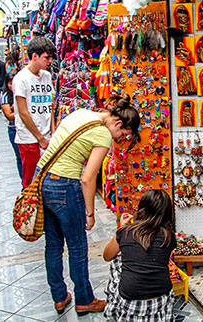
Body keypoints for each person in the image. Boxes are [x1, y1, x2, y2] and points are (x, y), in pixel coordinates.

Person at [38, 95, 141, 316]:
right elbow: (88, 177)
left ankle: (59, 297)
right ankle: (84, 300)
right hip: (65, 184)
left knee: (53, 246)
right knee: (77, 247)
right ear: (118, 123)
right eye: (122, 134)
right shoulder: (103, 134)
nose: (120, 138)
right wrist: (90, 212)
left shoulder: (81, 113)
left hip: (43, 179)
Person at [102, 189, 177, 321]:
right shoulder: (169, 237)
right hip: (160, 299)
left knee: (117, 262)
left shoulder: (125, 232)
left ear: (142, 209)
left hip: (130, 302)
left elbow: (107, 256)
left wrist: (121, 230)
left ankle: (112, 311)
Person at [13, 36, 56, 188]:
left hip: (46, 136)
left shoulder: (47, 76)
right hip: (29, 139)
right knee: (31, 182)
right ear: (34, 56)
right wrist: (40, 138)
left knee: (47, 179)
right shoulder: (21, 79)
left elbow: (49, 105)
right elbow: (23, 113)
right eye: (47, 58)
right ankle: (29, 210)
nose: (50, 61)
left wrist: (52, 131)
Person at [0, 70, 22, 179]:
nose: (13, 86)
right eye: (10, 83)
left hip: (26, 128)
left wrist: (15, 110)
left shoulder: (25, 92)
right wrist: (23, 111)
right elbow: (8, 115)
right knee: (19, 157)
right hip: (14, 129)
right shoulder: (5, 96)